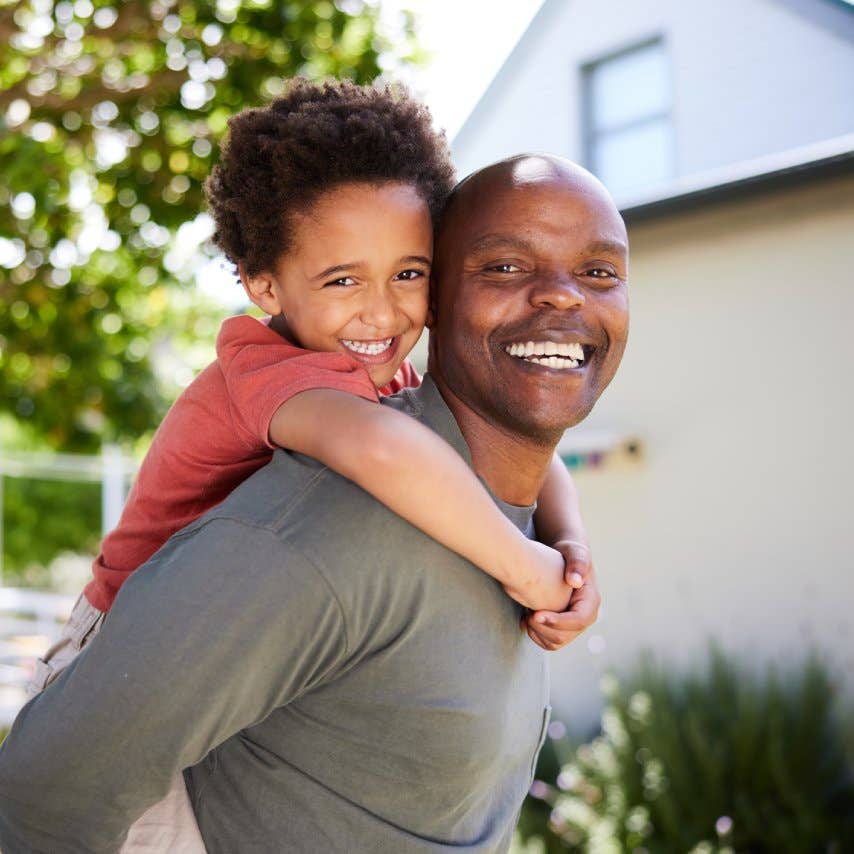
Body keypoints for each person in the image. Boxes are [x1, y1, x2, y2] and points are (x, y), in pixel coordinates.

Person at [0, 153, 626, 852]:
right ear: (263, 285)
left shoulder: (369, 365)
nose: (382, 309)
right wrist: (528, 567)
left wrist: (571, 545)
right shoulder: (272, 374)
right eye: (341, 278)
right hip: (114, 634)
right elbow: (384, 450)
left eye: (407, 274)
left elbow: (532, 459)